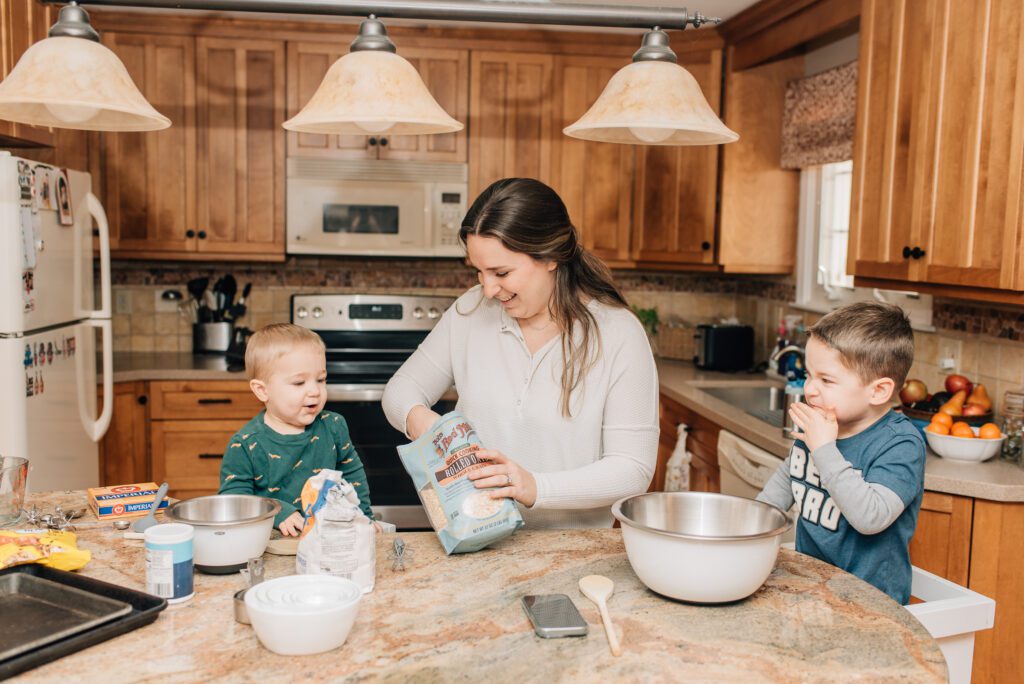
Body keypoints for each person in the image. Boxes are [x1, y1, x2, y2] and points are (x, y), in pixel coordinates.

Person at [381, 178, 659, 529]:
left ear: (552, 257)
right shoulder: (471, 311)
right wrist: (429, 426)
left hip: (571, 553)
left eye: (501, 272)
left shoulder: (617, 334)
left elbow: (632, 469)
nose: (488, 288)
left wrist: (533, 487)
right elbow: (399, 392)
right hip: (475, 540)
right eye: (479, 272)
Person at [756, 302, 926, 604]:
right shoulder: (823, 422)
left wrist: (823, 448)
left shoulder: (901, 444)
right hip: (812, 589)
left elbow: (870, 517)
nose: (809, 389)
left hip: (870, 604)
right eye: (809, 375)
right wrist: (746, 526)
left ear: (878, 391)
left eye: (826, 380)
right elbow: (788, 478)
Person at [218, 323, 373, 536]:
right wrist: (277, 512)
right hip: (272, 546)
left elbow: (353, 475)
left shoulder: (334, 426)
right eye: (299, 382)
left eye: (320, 380)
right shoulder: (245, 444)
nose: (314, 391)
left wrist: (364, 516)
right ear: (262, 391)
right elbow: (235, 501)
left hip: (328, 540)